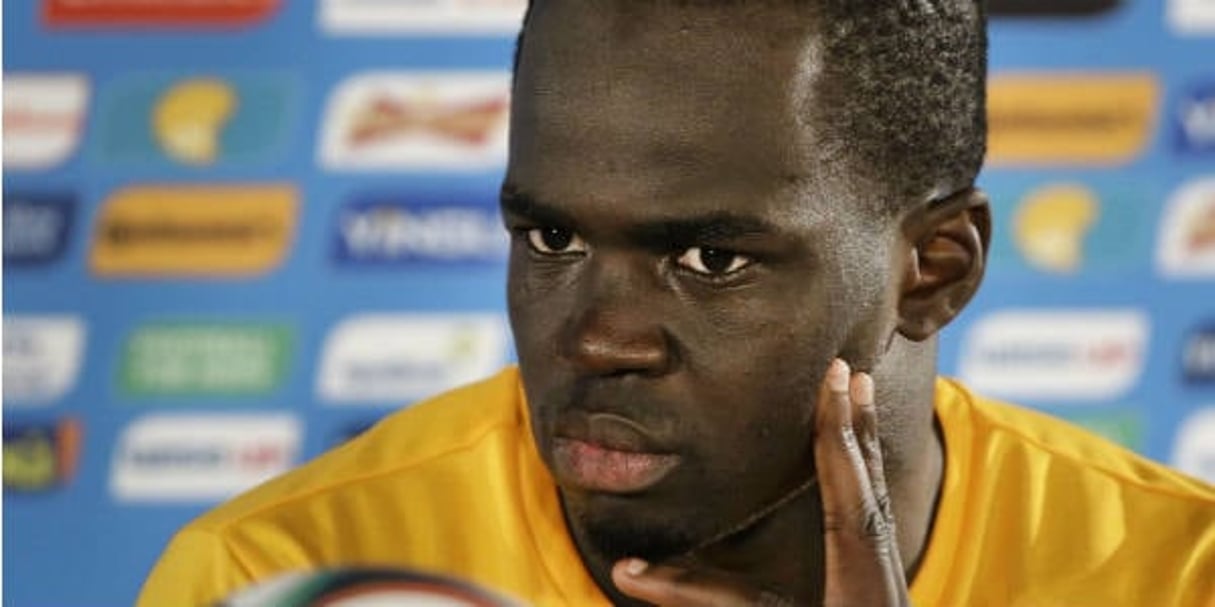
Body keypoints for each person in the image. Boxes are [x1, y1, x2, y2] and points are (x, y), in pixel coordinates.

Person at [139, 1, 1215, 606]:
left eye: (710, 259)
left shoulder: (1176, 576)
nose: (599, 339)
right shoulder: (285, 575)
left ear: (934, 270)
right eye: (551, 237)